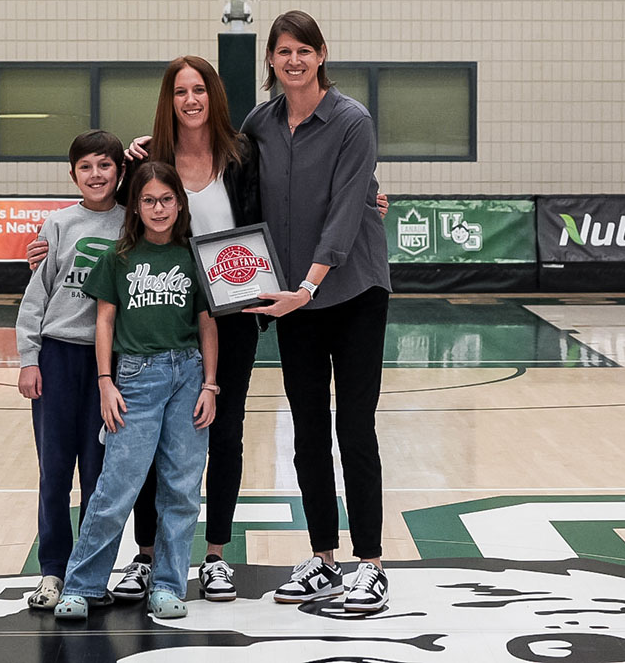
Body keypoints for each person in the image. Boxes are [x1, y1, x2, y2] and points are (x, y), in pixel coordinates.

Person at [28, 55, 389, 603]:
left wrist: (369, 200)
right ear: (168, 101)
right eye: (180, 92)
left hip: (230, 312)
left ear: (214, 97)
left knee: (224, 433)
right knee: (144, 440)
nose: (191, 100)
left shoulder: (245, 151)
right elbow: (106, 217)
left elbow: (308, 186)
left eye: (199, 90)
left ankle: (215, 556)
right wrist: (47, 245)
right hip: (156, 314)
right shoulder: (147, 161)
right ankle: (146, 558)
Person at [241, 10, 393, 612]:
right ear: (272, 61)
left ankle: (372, 563)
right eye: (283, 51)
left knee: (354, 428)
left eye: (304, 50)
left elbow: (348, 208)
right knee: (306, 431)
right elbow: (215, 171)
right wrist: (142, 153)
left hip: (352, 291)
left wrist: (309, 284)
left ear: (322, 54)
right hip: (290, 299)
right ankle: (324, 558)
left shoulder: (353, 120)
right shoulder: (259, 124)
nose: (294, 61)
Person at [54, 161, 218, 621]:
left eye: (167, 199)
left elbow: (207, 325)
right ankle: (82, 586)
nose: (159, 208)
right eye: (148, 200)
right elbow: (104, 321)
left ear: (179, 204)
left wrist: (210, 384)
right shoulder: (118, 256)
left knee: (182, 490)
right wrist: (106, 382)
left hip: (187, 376)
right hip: (134, 379)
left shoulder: (193, 256)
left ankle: (167, 585)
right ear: (136, 207)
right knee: (115, 489)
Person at [14, 130, 127, 610]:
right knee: (55, 471)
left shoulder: (134, 223)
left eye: (105, 165)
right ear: (73, 174)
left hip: (112, 362)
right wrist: (28, 358)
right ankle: (52, 571)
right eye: (86, 167)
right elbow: (36, 297)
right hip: (59, 358)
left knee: (101, 475)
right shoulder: (57, 225)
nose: (96, 175)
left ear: (120, 172)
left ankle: (91, 572)